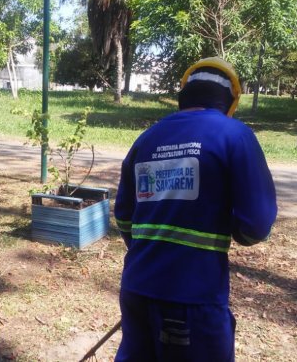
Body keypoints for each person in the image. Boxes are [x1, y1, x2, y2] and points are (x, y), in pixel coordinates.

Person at [113, 57, 277, 361]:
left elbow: (123, 215)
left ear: (183, 95)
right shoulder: (235, 135)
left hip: (136, 289)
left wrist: (152, 250)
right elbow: (256, 223)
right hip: (193, 297)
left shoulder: (147, 138)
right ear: (230, 103)